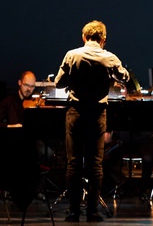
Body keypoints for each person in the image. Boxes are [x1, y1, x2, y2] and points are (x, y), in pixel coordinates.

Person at [55, 20, 129, 222]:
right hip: (97, 115)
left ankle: (73, 211)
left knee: (74, 163)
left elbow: (58, 82)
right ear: (103, 39)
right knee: (96, 164)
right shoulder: (109, 57)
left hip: (76, 114)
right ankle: (92, 211)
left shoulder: (72, 55)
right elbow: (125, 77)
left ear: (84, 37)